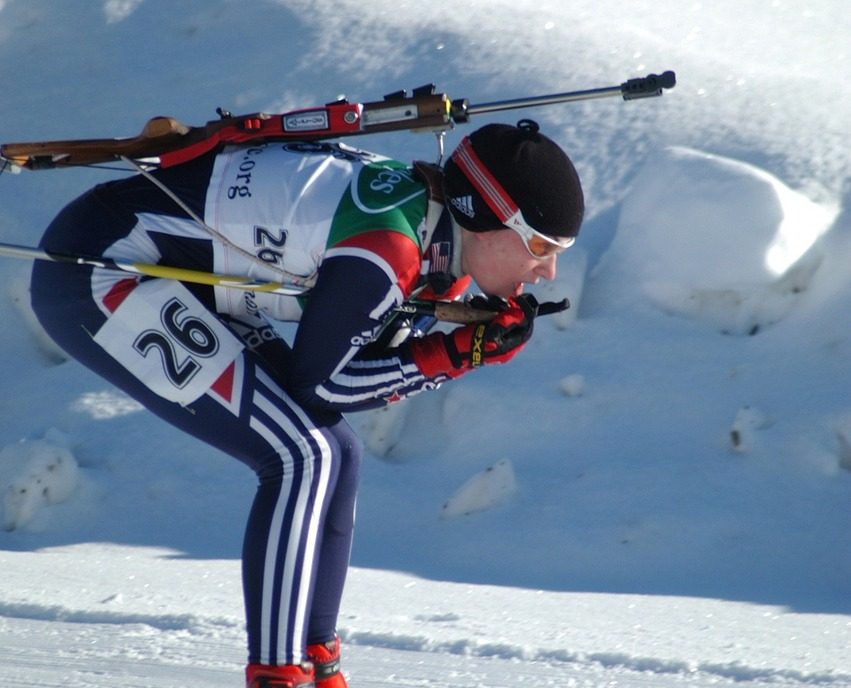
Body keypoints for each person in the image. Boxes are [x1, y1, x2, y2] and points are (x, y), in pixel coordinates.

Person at [29, 118, 584, 688]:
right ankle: (276, 673)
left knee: (338, 448)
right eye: (541, 246)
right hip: (100, 270)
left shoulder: (432, 234)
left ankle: (319, 662)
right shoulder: (390, 248)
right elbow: (320, 384)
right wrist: (456, 354)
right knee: (302, 455)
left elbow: (365, 354)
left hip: (182, 273)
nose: (548, 270)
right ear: (484, 220)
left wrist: (459, 348)